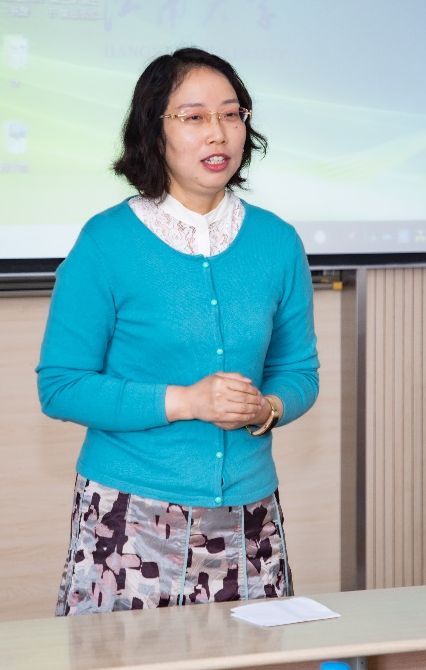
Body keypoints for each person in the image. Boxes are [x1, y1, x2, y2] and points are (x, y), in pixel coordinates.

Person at [36, 47, 319, 616]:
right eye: (194, 117)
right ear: (154, 130)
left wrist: (267, 408)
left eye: (231, 114)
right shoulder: (106, 241)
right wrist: (187, 401)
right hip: (130, 517)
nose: (219, 132)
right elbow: (61, 386)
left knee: (257, 656)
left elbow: (298, 372)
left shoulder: (277, 241)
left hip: (249, 518)